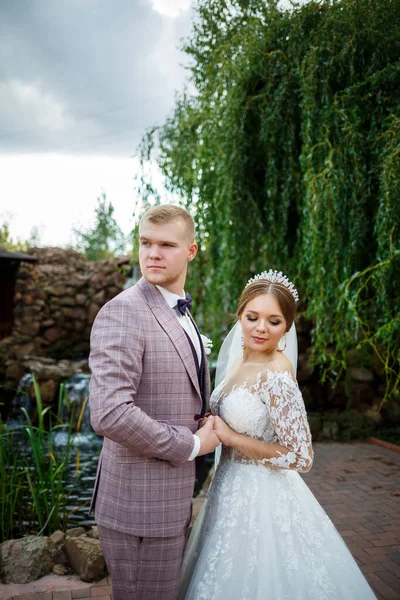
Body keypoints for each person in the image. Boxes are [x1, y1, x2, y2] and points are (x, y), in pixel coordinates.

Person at [178, 270, 377, 599]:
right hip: (225, 489)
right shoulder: (239, 360)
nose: (260, 328)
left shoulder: (277, 374)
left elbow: (302, 456)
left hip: (261, 497)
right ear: (240, 314)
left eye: (274, 321)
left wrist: (231, 437)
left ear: (287, 326)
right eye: (252, 317)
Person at [88, 204, 220, 600]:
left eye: (166, 245)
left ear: (191, 251)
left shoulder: (180, 312)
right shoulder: (124, 311)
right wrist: (193, 445)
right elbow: (110, 413)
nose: (153, 254)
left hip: (171, 499)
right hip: (137, 506)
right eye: (146, 243)